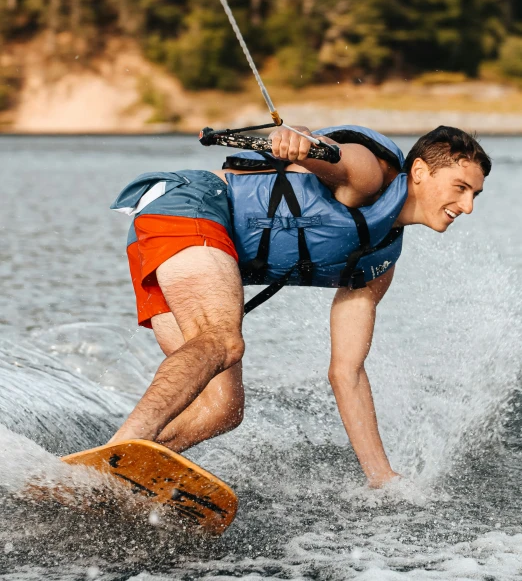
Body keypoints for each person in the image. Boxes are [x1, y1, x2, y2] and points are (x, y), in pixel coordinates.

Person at [109, 124, 491, 488]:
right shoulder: (370, 175)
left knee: (221, 407)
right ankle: (116, 455)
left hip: (180, 243)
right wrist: (301, 139)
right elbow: (336, 156)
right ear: (421, 171)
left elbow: (348, 373)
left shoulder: (378, 263)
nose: (469, 207)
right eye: (461, 187)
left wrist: (381, 476)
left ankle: (127, 471)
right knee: (221, 340)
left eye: (475, 195)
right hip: (189, 206)